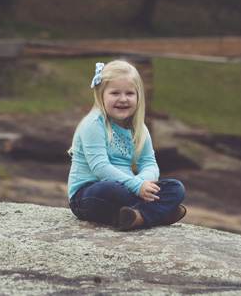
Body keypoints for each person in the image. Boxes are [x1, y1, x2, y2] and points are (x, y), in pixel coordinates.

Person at [67, 59, 186, 231]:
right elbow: (100, 168)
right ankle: (157, 213)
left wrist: (140, 182)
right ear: (101, 95)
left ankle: (135, 217)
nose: (123, 99)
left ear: (138, 96)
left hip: (128, 189)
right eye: (115, 93)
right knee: (111, 188)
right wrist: (136, 186)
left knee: (176, 188)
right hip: (89, 195)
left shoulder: (138, 127)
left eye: (129, 93)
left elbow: (149, 163)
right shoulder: (94, 124)